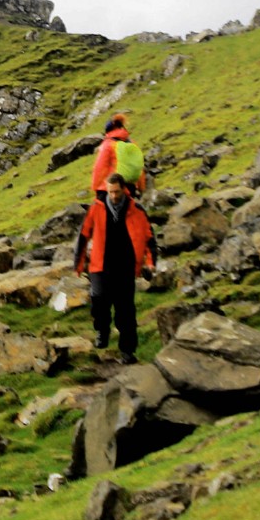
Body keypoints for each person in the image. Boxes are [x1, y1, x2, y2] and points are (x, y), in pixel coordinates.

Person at [73, 171, 155, 356]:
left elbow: (149, 239)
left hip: (125, 268)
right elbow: (84, 235)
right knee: (99, 300)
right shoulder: (96, 208)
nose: (114, 196)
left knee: (125, 311)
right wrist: (78, 264)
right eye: (111, 192)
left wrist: (150, 263)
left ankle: (128, 352)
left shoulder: (137, 211)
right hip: (100, 265)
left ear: (124, 189)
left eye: (117, 192)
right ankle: (102, 329)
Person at [89, 112, 147, 203]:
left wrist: (95, 188)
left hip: (109, 190)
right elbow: (139, 167)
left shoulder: (108, 144)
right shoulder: (132, 143)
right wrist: (141, 188)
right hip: (129, 189)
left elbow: (99, 167)